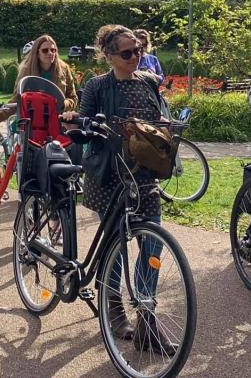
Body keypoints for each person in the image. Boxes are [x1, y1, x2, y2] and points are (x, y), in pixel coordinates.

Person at [78, 25, 174, 354]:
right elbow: (83, 124)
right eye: (127, 53)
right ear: (109, 56)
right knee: (114, 248)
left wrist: (166, 128)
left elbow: (160, 118)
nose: (136, 57)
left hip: (144, 176)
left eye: (138, 51)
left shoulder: (148, 81)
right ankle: (114, 307)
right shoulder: (97, 86)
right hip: (111, 178)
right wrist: (82, 126)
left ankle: (146, 315)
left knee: (153, 247)